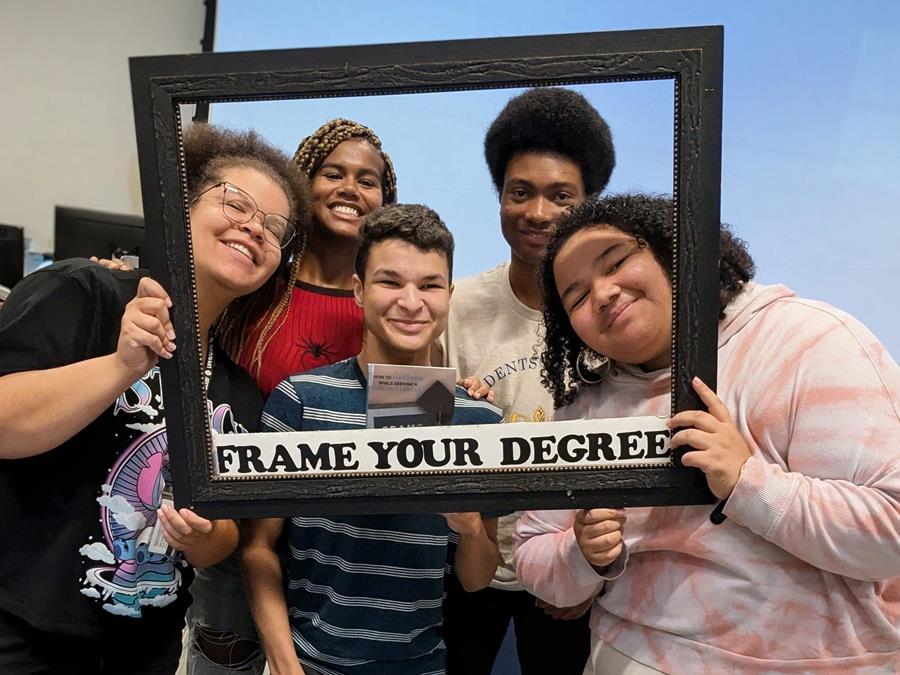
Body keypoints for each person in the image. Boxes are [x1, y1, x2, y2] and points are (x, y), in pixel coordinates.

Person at [514, 193, 900, 674]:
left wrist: (747, 483)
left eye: (616, 263)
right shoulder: (586, 408)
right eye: (577, 297)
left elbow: (892, 534)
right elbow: (531, 553)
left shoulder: (809, 341)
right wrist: (580, 554)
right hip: (628, 652)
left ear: (671, 251)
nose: (603, 293)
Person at [0, 123, 310, 673]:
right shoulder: (85, 293)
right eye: (234, 203)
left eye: (274, 227)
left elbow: (222, 541)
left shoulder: (237, 389)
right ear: (181, 207)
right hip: (23, 631)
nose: (253, 228)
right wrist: (121, 367)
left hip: (144, 648)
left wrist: (204, 533)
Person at [241, 204, 504, 675]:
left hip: (422, 664)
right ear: (359, 291)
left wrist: (467, 528)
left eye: (429, 285)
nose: (410, 302)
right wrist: (284, 664)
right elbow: (259, 547)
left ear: (448, 294)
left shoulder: (479, 418)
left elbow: (478, 576)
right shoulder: (299, 400)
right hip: (307, 663)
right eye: (390, 282)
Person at [183, 118, 398, 674]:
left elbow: (408, 418)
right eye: (334, 173)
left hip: (338, 549)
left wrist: (458, 391)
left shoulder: (387, 303)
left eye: (368, 180)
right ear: (305, 185)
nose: (351, 188)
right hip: (236, 537)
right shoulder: (251, 279)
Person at [440, 87, 615, 675]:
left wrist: (590, 573)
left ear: (589, 204)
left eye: (560, 195)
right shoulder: (455, 303)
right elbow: (409, 423)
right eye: (521, 193)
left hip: (570, 574)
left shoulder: (612, 318)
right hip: (465, 567)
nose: (538, 212)